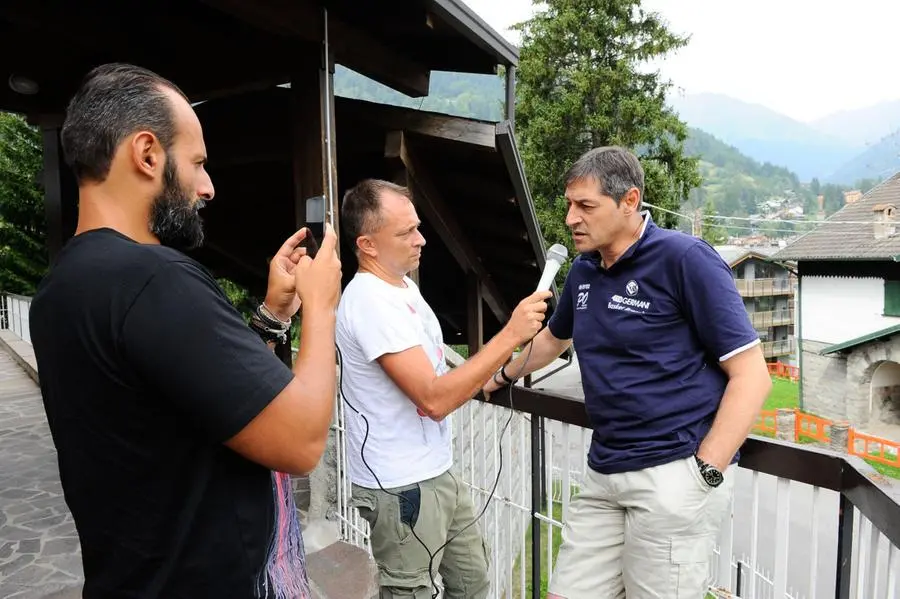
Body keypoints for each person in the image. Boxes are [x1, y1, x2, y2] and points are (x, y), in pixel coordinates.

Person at [29, 63, 342, 599]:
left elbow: (213, 398)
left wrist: (273, 314)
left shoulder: (61, 286)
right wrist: (323, 307)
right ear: (147, 154)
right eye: (197, 163)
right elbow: (301, 440)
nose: (208, 186)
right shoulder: (155, 279)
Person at [483, 146, 772, 599]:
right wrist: (499, 375)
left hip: (672, 473)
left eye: (585, 206)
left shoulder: (685, 259)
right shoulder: (584, 270)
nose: (570, 219)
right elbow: (554, 340)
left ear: (630, 202)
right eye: (568, 205)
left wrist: (706, 472)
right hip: (606, 468)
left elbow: (753, 375)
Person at [335, 179, 551, 599]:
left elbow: (436, 369)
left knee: (472, 581)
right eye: (405, 232)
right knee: (410, 591)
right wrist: (510, 336)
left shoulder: (403, 287)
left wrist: (487, 378)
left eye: (417, 226)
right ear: (368, 244)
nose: (421, 239)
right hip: (400, 484)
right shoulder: (369, 302)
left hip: (436, 469)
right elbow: (433, 399)